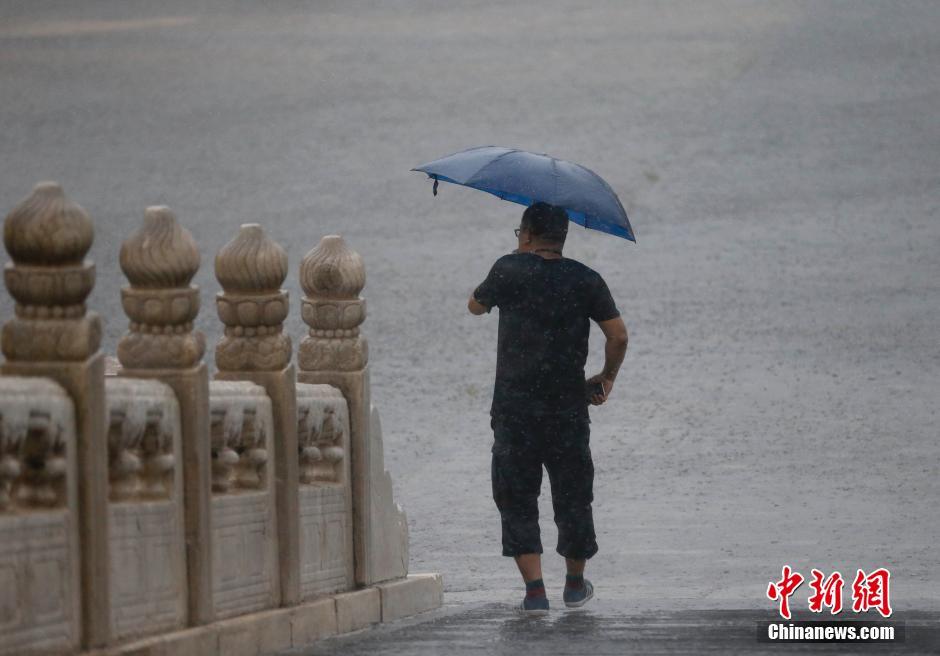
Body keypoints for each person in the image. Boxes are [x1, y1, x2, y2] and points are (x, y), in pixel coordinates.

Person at [468, 201, 628, 615]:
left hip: (514, 410)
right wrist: (606, 376)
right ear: (563, 237)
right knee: (574, 495)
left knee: (517, 495)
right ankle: (574, 586)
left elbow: (474, 305)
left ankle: (535, 591)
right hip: (567, 409)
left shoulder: (507, 270)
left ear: (525, 233)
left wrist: (513, 265)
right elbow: (618, 335)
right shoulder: (585, 279)